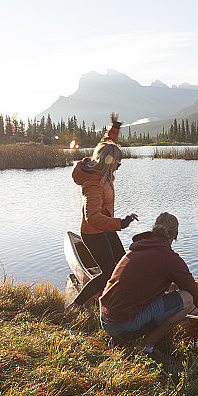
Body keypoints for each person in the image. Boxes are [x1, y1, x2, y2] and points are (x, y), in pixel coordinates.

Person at [98, 212, 198, 360]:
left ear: (154, 229)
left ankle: (124, 337)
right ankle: (146, 346)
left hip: (105, 319)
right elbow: (194, 292)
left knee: (166, 292)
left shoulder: (138, 247)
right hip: (122, 326)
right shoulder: (169, 258)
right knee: (187, 299)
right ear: (175, 235)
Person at [69, 112, 138, 306]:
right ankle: (76, 305)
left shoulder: (101, 170)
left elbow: (105, 143)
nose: (119, 166)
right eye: (118, 162)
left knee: (122, 263)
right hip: (93, 232)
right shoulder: (93, 184)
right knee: (107, 272)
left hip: (105, 228)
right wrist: (121, 223)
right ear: (108, 161)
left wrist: (114, 128)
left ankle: (118, 299)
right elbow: (92, 217)